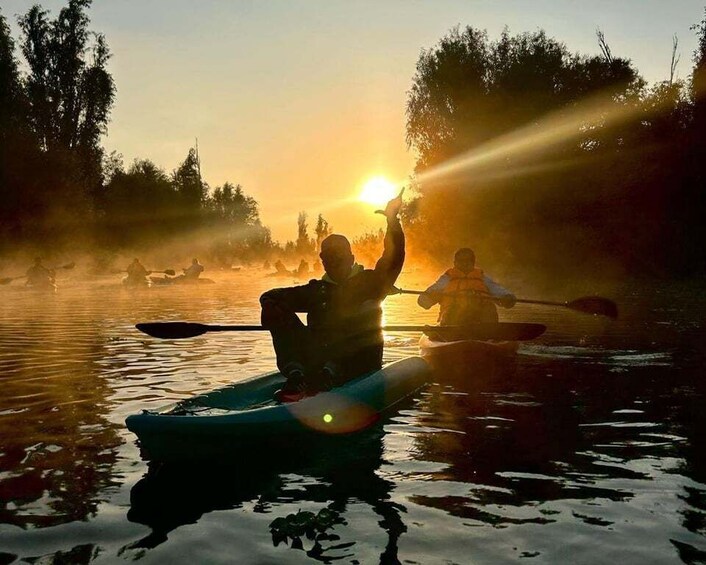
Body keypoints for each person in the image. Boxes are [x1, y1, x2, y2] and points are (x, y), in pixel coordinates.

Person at [260, 190, 405, 398]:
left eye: (339, 255)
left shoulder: (372, 282)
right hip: (317, 360)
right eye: (327, 256)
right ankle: (296, 373)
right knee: (275, 305)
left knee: (366, 310)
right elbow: (272, 294)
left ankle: (330, 372)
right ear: (322, 260)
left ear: (351, 257)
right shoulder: (315, 290)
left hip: (359, 362)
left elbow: (394, 256)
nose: (333, 260)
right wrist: (268, 303)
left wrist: (392, 220)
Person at [417, 248, 516, 326]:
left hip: (480, 318)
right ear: (455, 263)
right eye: (460, 261)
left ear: (473, 263)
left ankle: (489, 335)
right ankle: (455, 335)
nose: (464, 263)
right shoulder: (447, 278)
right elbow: (423, 301)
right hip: (452, 322)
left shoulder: (482, 277)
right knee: (455, 309)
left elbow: (497, 290)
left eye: (467, 261)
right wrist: (430, 297)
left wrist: (507, 297)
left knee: (489, 308)